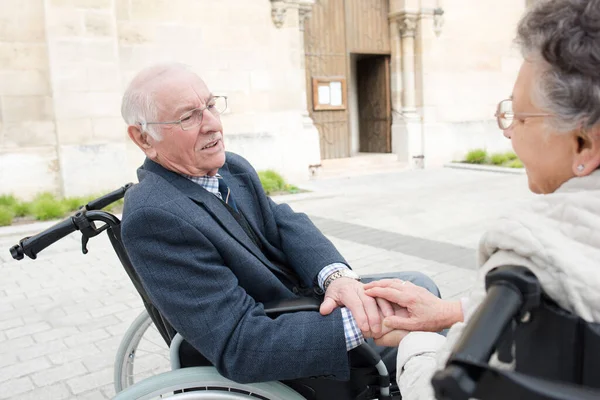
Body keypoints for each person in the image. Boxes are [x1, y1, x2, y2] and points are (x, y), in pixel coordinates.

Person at [118, 63, 440, 384]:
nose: (213, 124)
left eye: (211, 105)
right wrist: (363, 322)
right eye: (189, 116)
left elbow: (284, 223)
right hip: (290, 350)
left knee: (418, 286)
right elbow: (241, 345)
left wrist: (336, 278)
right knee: (426, 312)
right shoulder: (154, 217)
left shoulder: (230, 168)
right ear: (144, 138)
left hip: (303, 303)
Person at [363, 0, 600, 398]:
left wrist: (416, 346)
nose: (508, 133)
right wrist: (449, 313)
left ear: (584, 144)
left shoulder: (534, 251)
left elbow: (442, 391)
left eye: (519, 117)